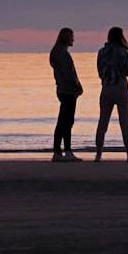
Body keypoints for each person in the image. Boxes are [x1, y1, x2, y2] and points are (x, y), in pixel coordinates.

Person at [94, 26, 128, 162]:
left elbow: (100, 72)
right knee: (124, 123)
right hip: (120, 89)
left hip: (107, 88)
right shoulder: (122, 52)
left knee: (102, 122)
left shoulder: (101, 52)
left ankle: (98, 154)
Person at [50, 27, 84, 162]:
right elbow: (69, 75)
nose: (73, 39)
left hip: (63, 90)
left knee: (63, 121)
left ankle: (59, 151)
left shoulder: (57, 53)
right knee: (67, 121)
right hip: (68, 91)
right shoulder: (63, 54)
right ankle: (65, 151)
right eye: (71, 36)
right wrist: (78, 86)